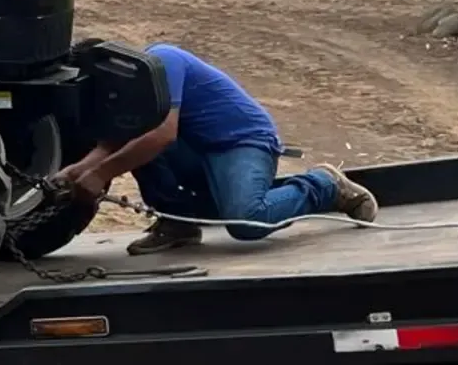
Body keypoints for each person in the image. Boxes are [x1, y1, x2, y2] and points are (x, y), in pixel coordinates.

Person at [49, 42, 378, 254]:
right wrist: (74, 173)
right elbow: (115, 143)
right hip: (199, 149)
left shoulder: (163, 61)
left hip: (242, 141)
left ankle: (324, 186)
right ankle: (178, 222)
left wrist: (102, 174)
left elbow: (163, 135)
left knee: (247, 222)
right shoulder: (121, 91)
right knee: (138, 144)